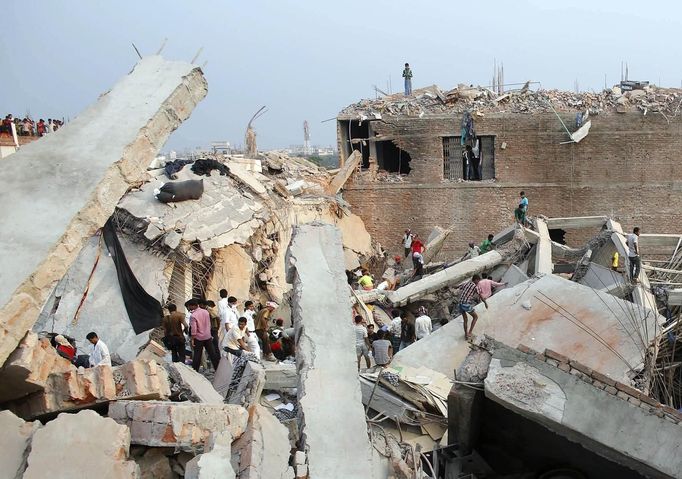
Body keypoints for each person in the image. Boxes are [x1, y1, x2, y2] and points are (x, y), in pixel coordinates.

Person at [188, 299, 220, 371]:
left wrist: (192, 339)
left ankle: (195, 371)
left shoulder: (193, 315)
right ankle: (217, 369)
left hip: (198, 338)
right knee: (212, 354)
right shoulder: (206, 312)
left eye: (189, 306)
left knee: (197, 355)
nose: (189, 308)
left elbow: (194, 329)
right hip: (207, 336)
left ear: (192, 306)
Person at [458, 274, 487, 340]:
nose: (478, 282)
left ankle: (466, 335)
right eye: (478, 281)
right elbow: (480, 296)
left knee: (465, 320)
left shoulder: (467, 284)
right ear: (476, 280)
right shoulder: (475, 286)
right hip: (465, 304)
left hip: (460, 303)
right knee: (475, 317)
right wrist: (485, 303)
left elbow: (458, 286)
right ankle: (470, 332)